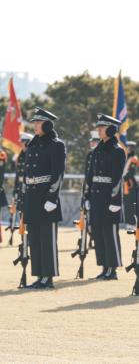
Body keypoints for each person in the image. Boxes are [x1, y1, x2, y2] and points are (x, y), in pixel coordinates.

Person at [23, 107, 66, 289]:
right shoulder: (33, 144)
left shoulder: (56, 144)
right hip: (32, 196)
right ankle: (39, 275)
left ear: (47, 125)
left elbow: (58, 173)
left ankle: (48, 277)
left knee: (47, 240)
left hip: (46, 197)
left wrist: (52, 198)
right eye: (34, 122)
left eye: (39, 123)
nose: (35, 126)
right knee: (35, 239)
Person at [85, 114, 126, 280]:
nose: (99, 130)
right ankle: (104, 267)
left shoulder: (118, 151)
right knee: (99, 234)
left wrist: (115, 201)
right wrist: (87, 197)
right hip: (96, 197)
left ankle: (112, 269)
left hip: (109, 199)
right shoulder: (96, 151)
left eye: (102, 127)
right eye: (99, 127)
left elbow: (117, 179)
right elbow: (90, 176)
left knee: (110, 234)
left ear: (110, 129)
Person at [12, 132, 32, 225]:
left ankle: (27, 239)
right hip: (20, 189)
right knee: (21, 216)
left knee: (28, 217)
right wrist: (15, 190)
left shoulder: (31, 154)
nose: (21, 144)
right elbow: (18, 174)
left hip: (28, 189)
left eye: (23, 142)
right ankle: (23, 239)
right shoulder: (20, 155)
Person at [123, 140, 137, 226]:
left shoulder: (134, 159)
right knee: (126, 203)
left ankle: (132, 222)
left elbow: (131, 172)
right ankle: (128, 222)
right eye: (128, 147)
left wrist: (124, 178)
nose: (128, 149)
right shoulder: (126, 158)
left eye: (130, 148)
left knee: (131, 203)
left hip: (131, 184)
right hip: (125, 183)